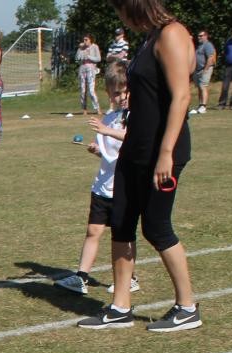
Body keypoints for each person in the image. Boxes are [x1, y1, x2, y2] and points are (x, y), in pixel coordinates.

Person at [78, 0, 200, 332]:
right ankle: (120, 307)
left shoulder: (172, 34)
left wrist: (166, 153)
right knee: (121, 222)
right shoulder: (149, 37)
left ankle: (187, 307)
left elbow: (181, 97)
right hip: (135, 148)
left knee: (157, 227)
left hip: (161, 151)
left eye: (120, 10)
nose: (120, 18)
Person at [56, 64, 137, 295]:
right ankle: (81, 277)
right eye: (115, 93)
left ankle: (130, 277)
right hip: (102, 185)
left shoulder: (135, 118)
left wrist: (105, 131)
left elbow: (132, 142)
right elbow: (111, 154)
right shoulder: (110, 118)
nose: (120, 97)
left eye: (124, 92)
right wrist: (97, 150)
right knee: (93, 231)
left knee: (123, 235)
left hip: (124, 187)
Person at [76, 35, 103, 114]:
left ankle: (97, 108)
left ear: (90, 40)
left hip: (91, 68)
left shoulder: (95, 47)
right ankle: (84, 109)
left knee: (91, 90)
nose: (84, 41)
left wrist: (88, 56)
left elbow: (98, 58)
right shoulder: (82, 48)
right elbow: (77, 58)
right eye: (84, 40)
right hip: (82, 68)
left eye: (86, 40)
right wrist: (80, 49)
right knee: (82, 90)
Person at [193, 31, 216, 114]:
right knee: (199, 87)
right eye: (198, 36)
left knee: (203, 86)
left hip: (205, 69)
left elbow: (210, 58)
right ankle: (200, 105)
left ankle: (203, 106)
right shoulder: (199, 46)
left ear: (206, 36)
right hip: (198, 70)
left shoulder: (208, 45)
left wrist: (205, 70)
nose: (199, 37)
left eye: (201, 36)